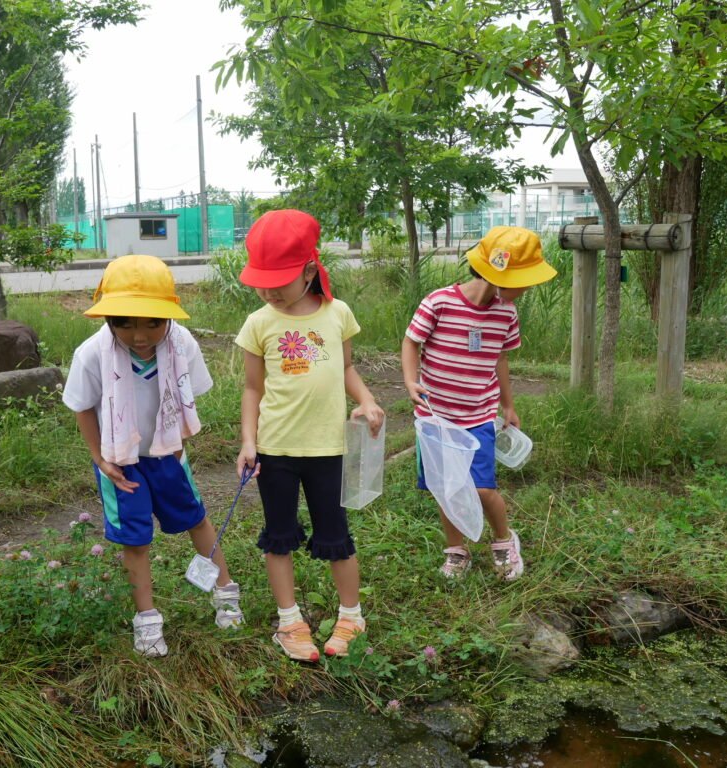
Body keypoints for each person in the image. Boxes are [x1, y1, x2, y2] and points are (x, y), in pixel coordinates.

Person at [62, 254, 242, 658]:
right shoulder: (92, 354)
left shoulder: (181, 345)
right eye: (124, 321)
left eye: (152, 322)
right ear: (107, 318)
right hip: (119, 461)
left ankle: (225, 594)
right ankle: (147, 620)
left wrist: (177, 449)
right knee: (136, 538)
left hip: (167, 454)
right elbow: (82, 407)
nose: (138, 335)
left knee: (196, 518)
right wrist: (101, 459)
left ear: (169, 318)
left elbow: (187, 396)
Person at [235, 209, 385, 662]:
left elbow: (345, 368)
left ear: (307, 270)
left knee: (336, 533)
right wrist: (247, 441)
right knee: (279, 535)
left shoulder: (338, 313)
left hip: (328, 448)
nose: (269, 290)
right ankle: (289, 623)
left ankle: (351, 615)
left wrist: (366, 399)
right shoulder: (259, 323)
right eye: (261, 281)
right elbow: (252, 388)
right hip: (275, 449)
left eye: (278, 280)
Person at [401, 226, 557, 582]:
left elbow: (500, 358)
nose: (529, 288)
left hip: (478, 415)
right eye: (525, 280)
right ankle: (456, 550)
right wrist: (411, 381)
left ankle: (503, 540)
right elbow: (412, 342)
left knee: (483, 487)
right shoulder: (439, 302)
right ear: (499, 273)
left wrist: (508, 406)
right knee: (447, 487)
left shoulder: (507, 314)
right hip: (435, 417)